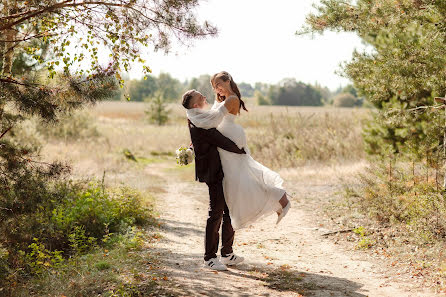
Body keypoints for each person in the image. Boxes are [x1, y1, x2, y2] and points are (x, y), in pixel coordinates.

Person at [186, 71, 291, 230]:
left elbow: (213, 119)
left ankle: (281, 199)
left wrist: (193, 117)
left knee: (244, 179)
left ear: (228, 81)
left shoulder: (232, 99)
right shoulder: (221, 99)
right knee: (241, 181)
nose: (217, 89)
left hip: (231, 138)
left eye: (219, 85)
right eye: (214, 87)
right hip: (223, 139)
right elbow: (210, 116)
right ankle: (278, 201)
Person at [182, 89, 245, 271]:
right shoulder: (202, 121)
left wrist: (190, 148)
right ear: (195, 105)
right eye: (201, 97)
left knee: (228, 209)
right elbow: (220, 140)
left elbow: (198, 139)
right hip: (213, 171)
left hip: (220, 169)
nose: (204, 97)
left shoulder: (197, 116)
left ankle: (227, 253)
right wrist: (241, 151)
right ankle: (210, 257)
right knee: (216, 212)